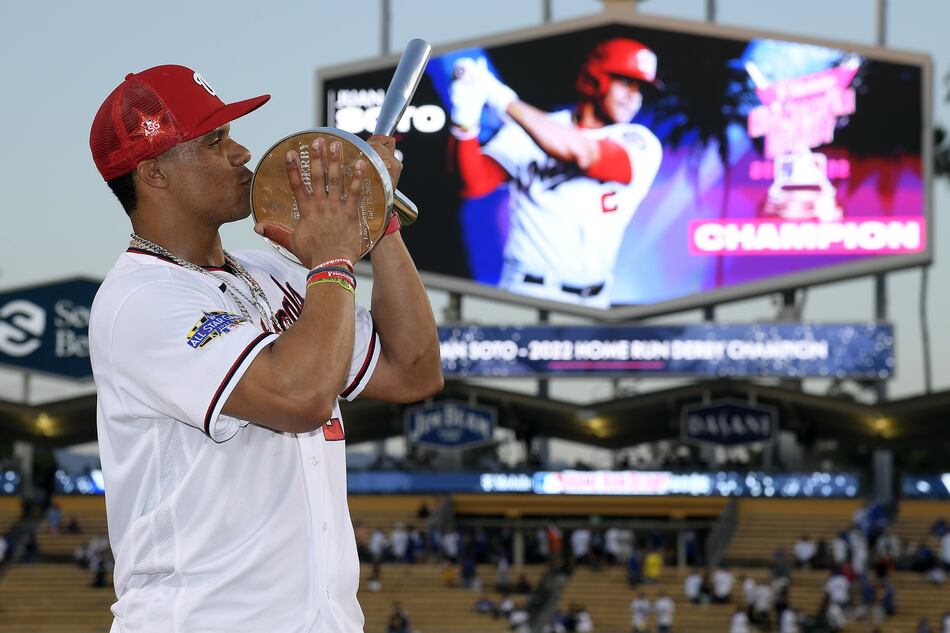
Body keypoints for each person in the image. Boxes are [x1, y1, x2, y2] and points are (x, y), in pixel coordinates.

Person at [88, 64, 442, 633]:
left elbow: (413, 372)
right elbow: (299, 398)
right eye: (214, 142)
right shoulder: (140, 299)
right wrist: (332, 260)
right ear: (154, 173)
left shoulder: (269, 269)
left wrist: (378, 215)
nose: (241, 151)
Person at [448, 38, 663, 308]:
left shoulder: (639, 141)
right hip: (526, 293)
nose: (635, 96)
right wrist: (464, 118)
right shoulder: (533, 130)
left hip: (594, 301)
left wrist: (499, 96)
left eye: (641, 89)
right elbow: (473, 183)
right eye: (626, 83)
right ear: (595, 79)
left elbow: (586, 154)